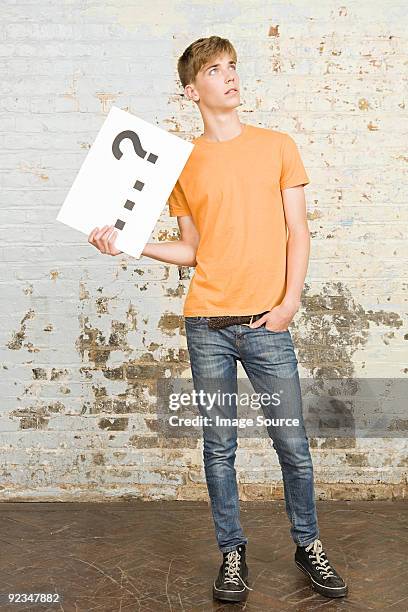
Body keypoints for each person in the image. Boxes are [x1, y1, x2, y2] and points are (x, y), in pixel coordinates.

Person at [88, 35, 348, 603]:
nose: (229, 76)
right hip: (206, 324)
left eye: (233, 67)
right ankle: (233, 555)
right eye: (215, 70)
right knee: (218, 448)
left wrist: (289, 303)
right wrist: (131, 244)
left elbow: (298, 231)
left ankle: (309, 545)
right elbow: (191, 250)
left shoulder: (278, 145)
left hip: (266, 321)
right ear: (192, 89)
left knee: (294, 446)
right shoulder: (183, 163)